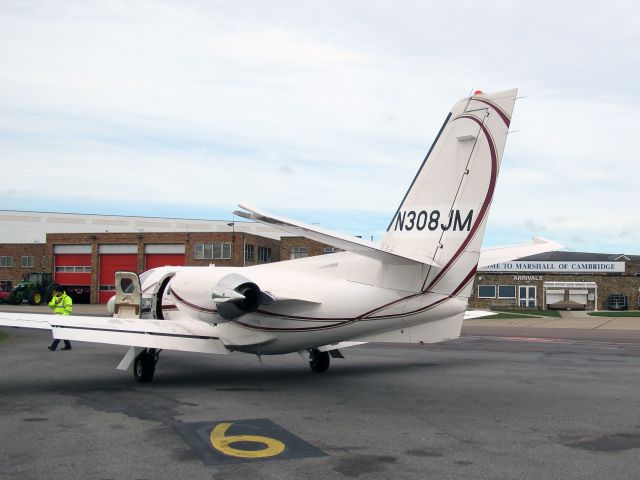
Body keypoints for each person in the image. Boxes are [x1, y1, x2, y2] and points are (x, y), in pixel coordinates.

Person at [48, 285, 73, 351]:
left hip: (63, 318)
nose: (57, 293)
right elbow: (50, 305)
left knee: (59, 332)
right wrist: (56, 302)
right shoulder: (55, 298)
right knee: (63, 332)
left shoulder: (67, 298)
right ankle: (68, 346)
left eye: (58, 292)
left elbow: (68, 309)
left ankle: (53, 347)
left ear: (61, 292)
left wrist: (63, 318)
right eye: (56, 292)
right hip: (57, 318)